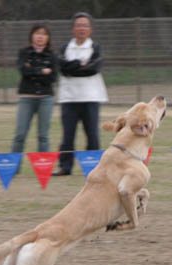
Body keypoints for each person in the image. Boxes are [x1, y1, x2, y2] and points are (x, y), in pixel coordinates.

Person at [53, 12, 108, 176]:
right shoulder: (65, 48)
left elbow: (93, 69)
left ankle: (94, 168)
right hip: (68, 98)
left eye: (85, 25)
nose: (81, 28)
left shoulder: (95, 47)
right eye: (78, 25)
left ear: (90, 29)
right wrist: (80, 64)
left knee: (92, 135)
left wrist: (72, 68)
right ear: (73, 29)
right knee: (67, 136)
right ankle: (65, 167)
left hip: (91, 97)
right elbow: (61, 67)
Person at [11, 24, 58, 170]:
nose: (40, 36)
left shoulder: (53, 55)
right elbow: (24, 71)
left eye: (44, 34)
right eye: (37, 33)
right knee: (20, 134)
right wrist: (43, 71)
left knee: (43, 136)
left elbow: (53, 77)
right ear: (32, 35)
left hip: (46, 99)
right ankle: (13, 167)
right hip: (26, 98)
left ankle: (43, 168)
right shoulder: (23, 52)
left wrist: (33, 70)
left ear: (48, 38)